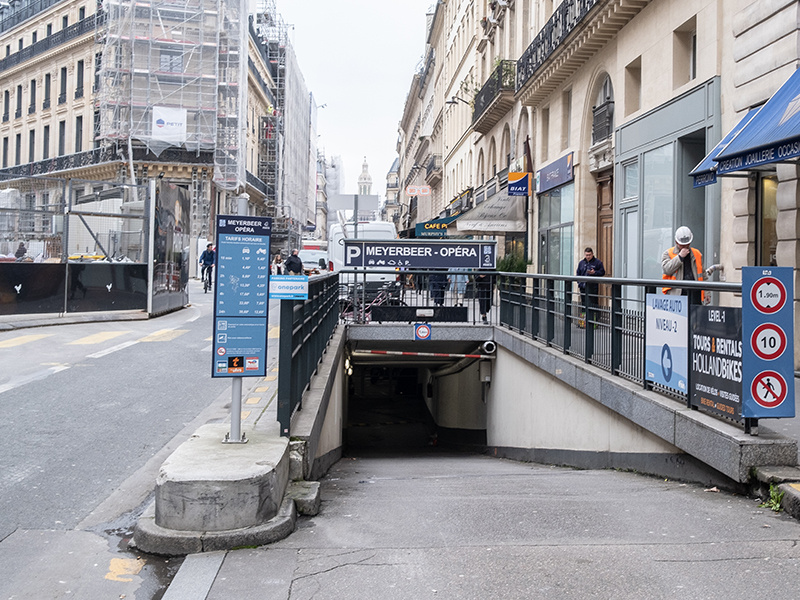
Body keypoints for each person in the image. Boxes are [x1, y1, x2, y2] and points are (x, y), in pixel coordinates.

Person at [662, 226, 703, 304]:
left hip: (695, 294)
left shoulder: (696, 253)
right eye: (682, 245)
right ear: (676, 242)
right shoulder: (668, 253)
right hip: (677, 294)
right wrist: (680, 257)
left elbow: (703, 275)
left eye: (687, 244)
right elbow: (667, 269)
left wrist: (706, 293)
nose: (685, 247)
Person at [576, 247, 605, 325]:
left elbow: (602, 272)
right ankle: (583, 323)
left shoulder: (597, 262)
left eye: (589, 255)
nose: (588, 256)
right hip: (583, 287)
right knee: (583, 304)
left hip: (593, 287)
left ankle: (594, 322)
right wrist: (579, 283)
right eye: (586, 255)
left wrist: (594, 272)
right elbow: (578, 273)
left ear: (592, 254)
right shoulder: (581, 263)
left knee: (593, 304)